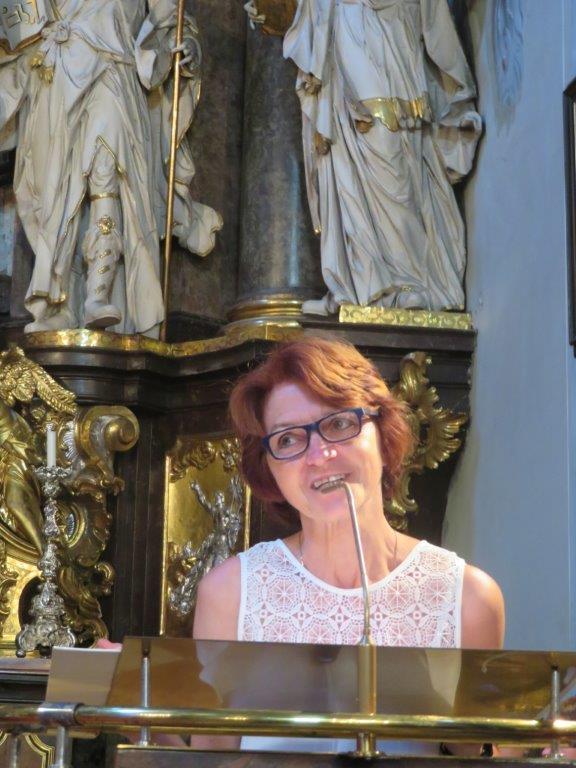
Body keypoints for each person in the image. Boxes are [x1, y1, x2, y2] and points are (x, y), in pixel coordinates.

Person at [193, 335, 505, 753]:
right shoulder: (229, 594)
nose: (319, 455)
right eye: (288, 440)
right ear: (269, 472)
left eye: (339, 424)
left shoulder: (469, 598)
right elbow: (206, 758)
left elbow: (479, 757)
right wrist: (132, 708)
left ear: (383, 434)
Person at [0, 0, 222, 336]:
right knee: (59, 196)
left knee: (107, 174)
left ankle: (98, 294)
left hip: (114, 71)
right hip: (56, 77)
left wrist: (187, 43)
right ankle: (61, 302)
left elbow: (170, 17)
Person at [279, 0, 482, 315]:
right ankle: (357, 284)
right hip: (341, 22)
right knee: (344, 159)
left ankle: (409, 282)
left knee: (390, 151)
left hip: (392, 31)